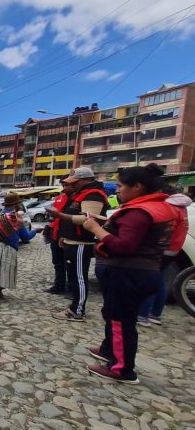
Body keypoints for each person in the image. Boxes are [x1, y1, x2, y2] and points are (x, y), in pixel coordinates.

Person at [82, 164, 177, 384]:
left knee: (121, 321)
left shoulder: (139, 212)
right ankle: (110, 351)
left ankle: (121, 368)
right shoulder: (157, 207)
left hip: (130, 272)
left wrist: (96, 229)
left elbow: (124, 245)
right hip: (144, 269)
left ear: (137, 187)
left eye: (120, 186)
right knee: (116, 316)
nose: (117, 191)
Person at [47, 167, 109, 322]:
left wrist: (59, 215)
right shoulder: (78, 194)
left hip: (82, 243)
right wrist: (64, 236)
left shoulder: (93, 195)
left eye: (75, 182)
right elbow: (73, 216)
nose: (72, 185)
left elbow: (87, 220)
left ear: (86, 180)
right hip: (72, 241)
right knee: (74, 276)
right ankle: (74, 305)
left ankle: (77, 310)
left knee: (79, 277)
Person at [137, 188, 191, 326]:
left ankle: (142, 315)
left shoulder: (170, 208)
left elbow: (164, 230)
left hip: (162, 249)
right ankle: (155, 314)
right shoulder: (182, 208)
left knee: (150, 280)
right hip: (174, 248)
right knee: (160, 281)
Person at [43, 178, 73, 296]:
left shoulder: (76, 199)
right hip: (55, 234)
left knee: (70, 263)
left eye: (67, 185)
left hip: (69, 235)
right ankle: (58, 285)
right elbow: (54, 217)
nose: (64, 188)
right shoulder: (60, 197)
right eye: (63, 185)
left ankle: (71, 289)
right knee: (57, 262)